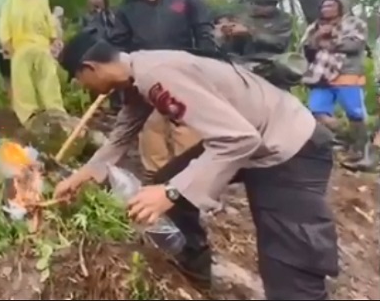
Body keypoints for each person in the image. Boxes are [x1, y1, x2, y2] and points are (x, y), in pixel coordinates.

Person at [55, 31, 338, 300]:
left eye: (79, 80)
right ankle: (194, 269)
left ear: (89, 68)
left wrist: (172, 193)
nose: (83, 87)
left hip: (290, 146)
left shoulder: (158, 75)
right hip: (251, 137)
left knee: (289, 265)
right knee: (166, 181)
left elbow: (238, 139)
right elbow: (125, 130)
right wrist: (90, 170)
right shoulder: (138, 73)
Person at [108, 0, 215, 181]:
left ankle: (189, 178)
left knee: (186, 125)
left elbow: (202, 25)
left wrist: (206, 55)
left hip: (183, 71)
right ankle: (156, 178)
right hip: (146, 76)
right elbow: (119, 41)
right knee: (152, 128)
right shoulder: (127, 6)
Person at [301, 0, 374, 170]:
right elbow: (307, 48)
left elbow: (355, 45)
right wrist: (318, 37)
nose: (326, 9)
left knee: (355, 114)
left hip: (347, 73)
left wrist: (331, 39)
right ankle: (343, 138)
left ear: (341, 7)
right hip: (320, 74)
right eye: (324, 6)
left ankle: (361, 151)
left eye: (331, 6)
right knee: (317, 111)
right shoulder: (315, 26)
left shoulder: (355, 23)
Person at [0, 0, 65, 126]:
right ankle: (28, 115)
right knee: (23, 82)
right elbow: (5, 21)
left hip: (41, 45)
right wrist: (6, 42)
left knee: (49, 78)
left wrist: (53, 38)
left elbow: (48, 19)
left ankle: (55, 110)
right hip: (20, 46)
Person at [218, 0, 292, 58]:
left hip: (268, 60)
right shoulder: (245, 16)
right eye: (255, 3)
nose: (257, 7)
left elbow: (279, 44)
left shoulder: (283, 20)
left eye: (262, 4)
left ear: (273, 4)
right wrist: (227, 28)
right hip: (239, 58)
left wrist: (249, 32)